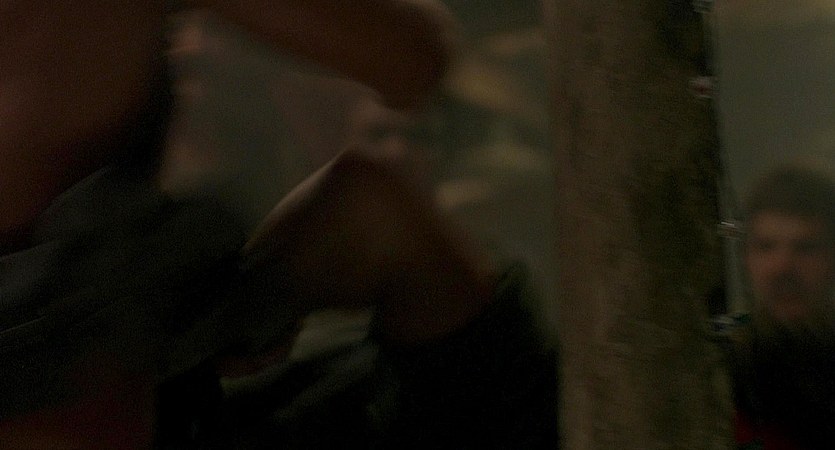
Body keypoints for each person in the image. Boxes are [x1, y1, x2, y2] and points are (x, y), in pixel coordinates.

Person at [0, 1, 557, 448]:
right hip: (79, 388)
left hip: (146, 364)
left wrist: (253, 303)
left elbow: (413, 59)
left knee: (374, 219)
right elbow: (413, 59)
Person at [730, 164, 835, 449]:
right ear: (747, 258)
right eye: (765, 247)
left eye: (805, 248)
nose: (782, 267)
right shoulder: (723, 377)